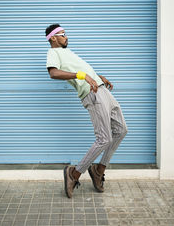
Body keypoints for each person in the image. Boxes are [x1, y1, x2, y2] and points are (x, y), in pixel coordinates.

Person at [45, 23, 128, 198]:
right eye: (62, 34)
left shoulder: (67, 52)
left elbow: (84, 69)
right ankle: (74, 173)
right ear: (53, 38)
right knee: (104, 139)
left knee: (121, 130)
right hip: (92, 94)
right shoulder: (53, 52)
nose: (66, 37)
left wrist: (99, 77)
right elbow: (53, 73)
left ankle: (98, 170)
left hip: (101, 89)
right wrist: (81, 76)